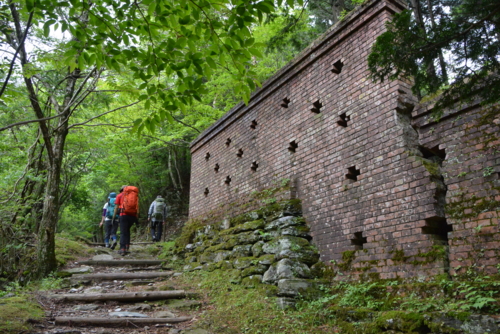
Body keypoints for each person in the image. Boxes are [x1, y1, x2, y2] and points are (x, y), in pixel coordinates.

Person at [114, 185, 139, 255]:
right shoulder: (134, 195)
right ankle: (127, 246)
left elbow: (116, 207)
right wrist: (137, 217)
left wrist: (114, 217)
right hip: (133, 216)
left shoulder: (119, 196)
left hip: (123, 215)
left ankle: (122, 249)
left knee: (123, 232)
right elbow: (137, 207)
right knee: (127, 230)